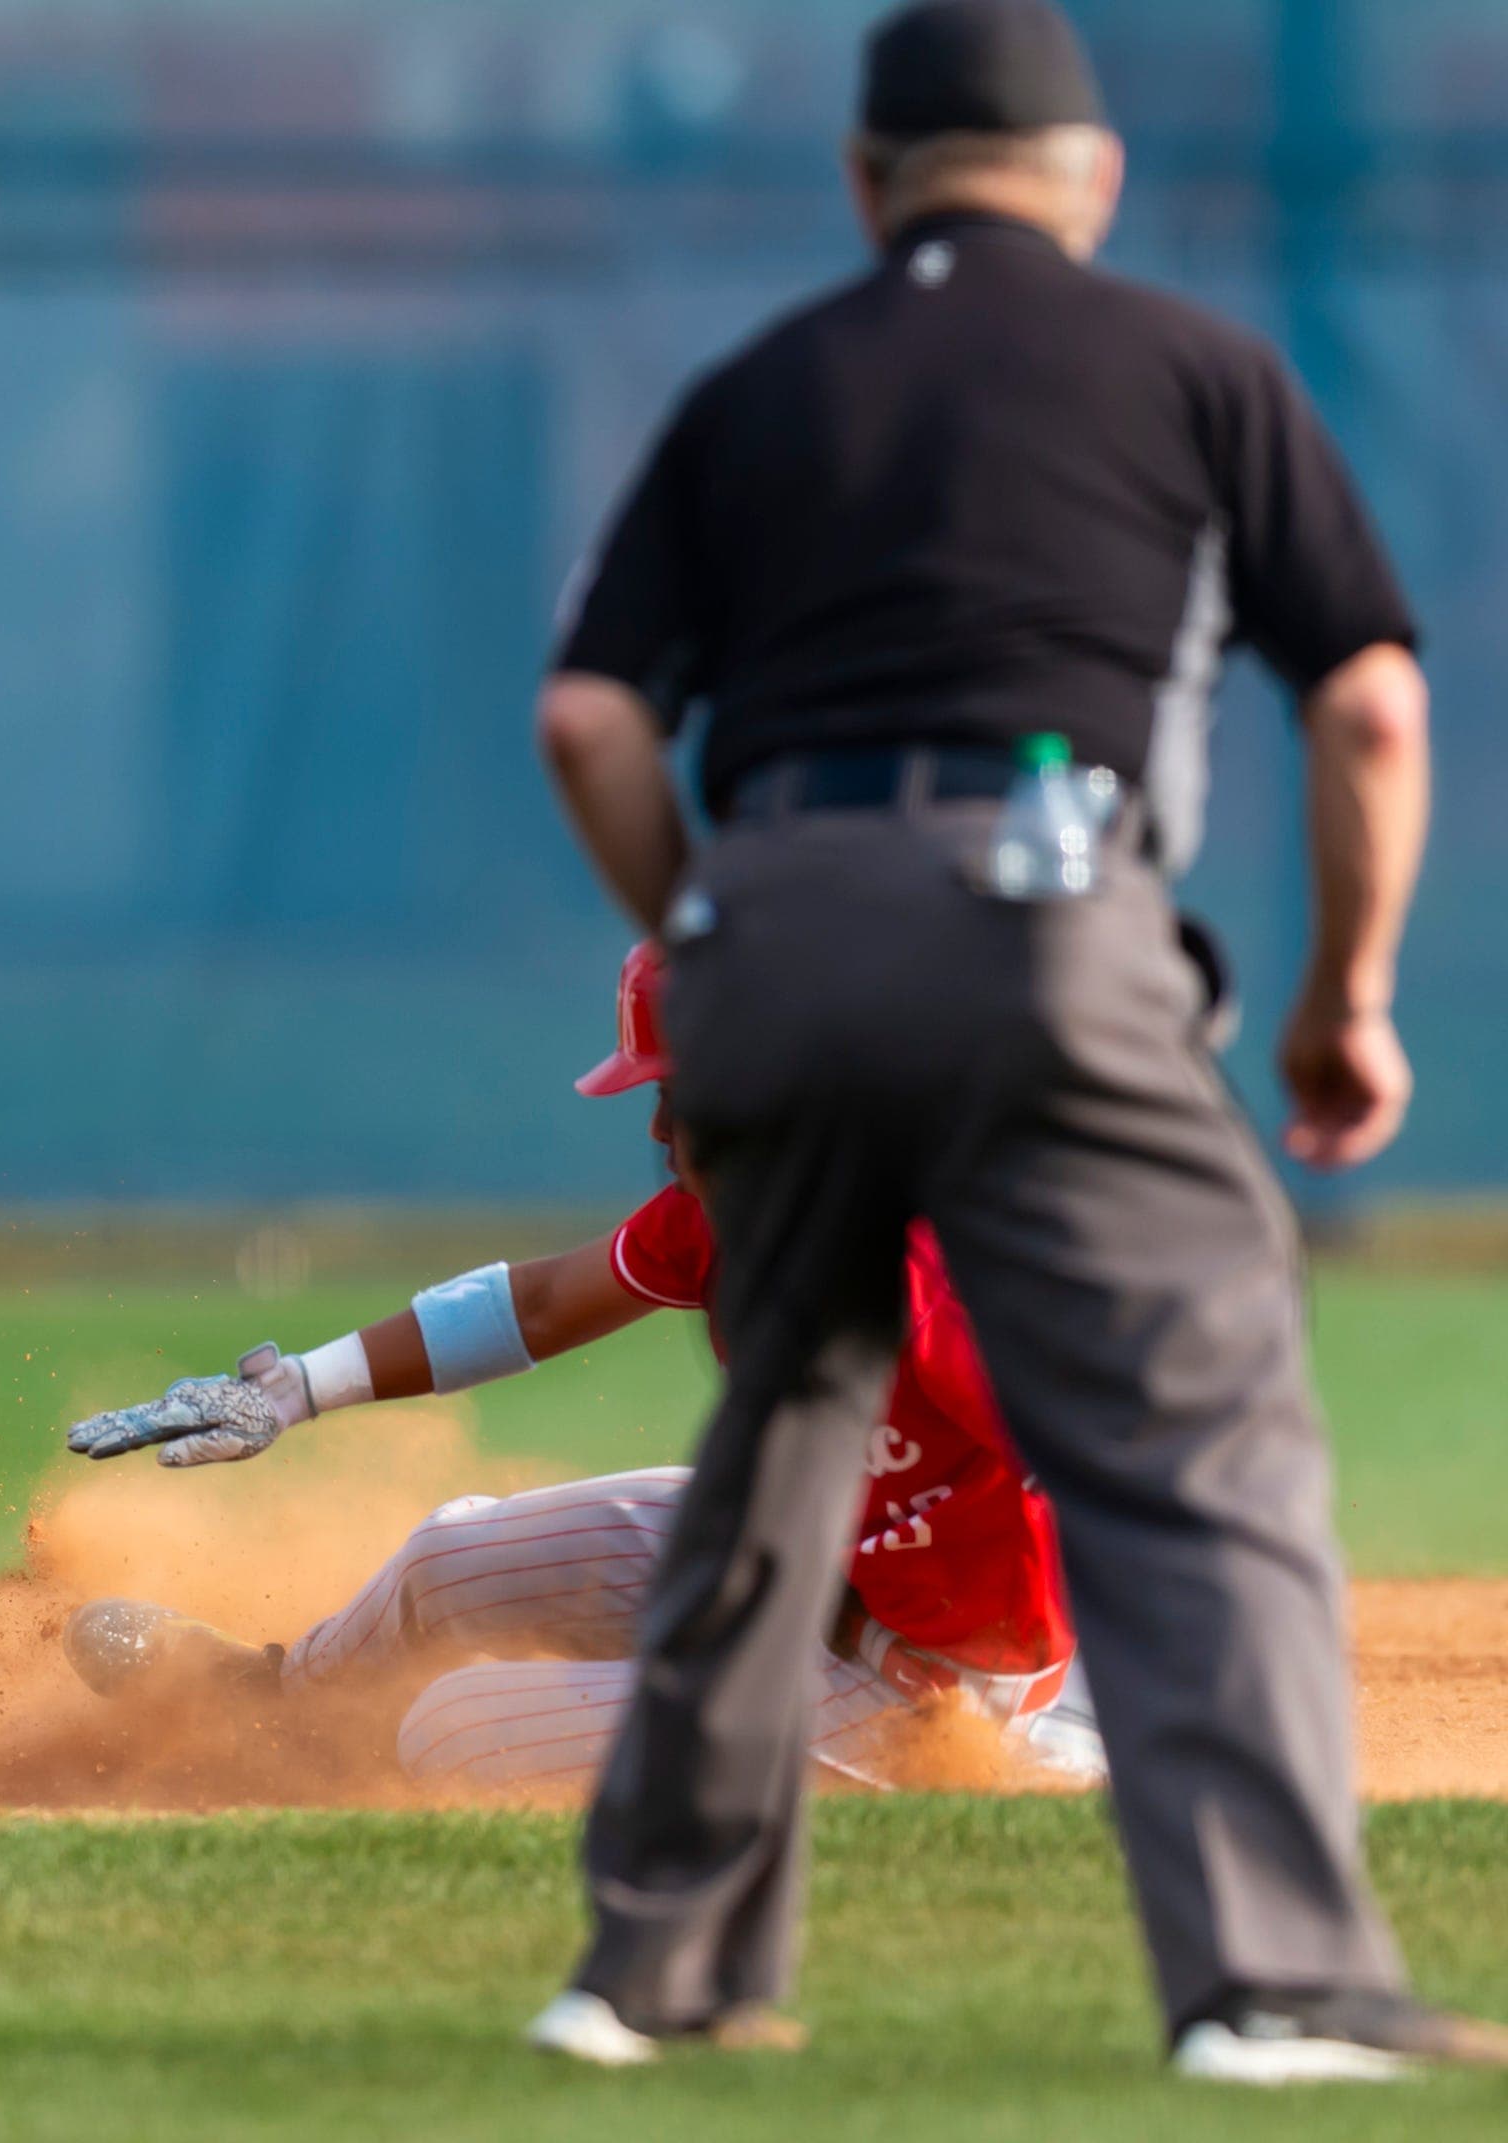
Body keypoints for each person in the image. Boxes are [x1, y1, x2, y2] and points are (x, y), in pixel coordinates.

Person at [525, 0, 1502, 2082]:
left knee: (786, 1428)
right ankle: (1266, 1984)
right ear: (1096, 180)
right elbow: (1377, 708)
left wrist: (706, 927)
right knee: (1189, 1434)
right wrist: (1346, 1002)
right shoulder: (1198, 369)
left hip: (777, 931)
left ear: (870, 187)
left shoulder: (761, 389)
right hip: (1056, 919)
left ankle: (654, 1977)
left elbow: (591, 720)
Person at [60, 944, 1104, 1800]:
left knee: (450, 1730)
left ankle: (1031, 1770)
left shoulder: (924, 1269)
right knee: (444, 1563)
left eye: (676, 1094)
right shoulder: (728, 1218)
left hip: (918, 1691)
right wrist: (295, 1387)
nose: (654, 1125)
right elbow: (543, 1302)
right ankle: (273, 1707)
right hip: (793, 1563)